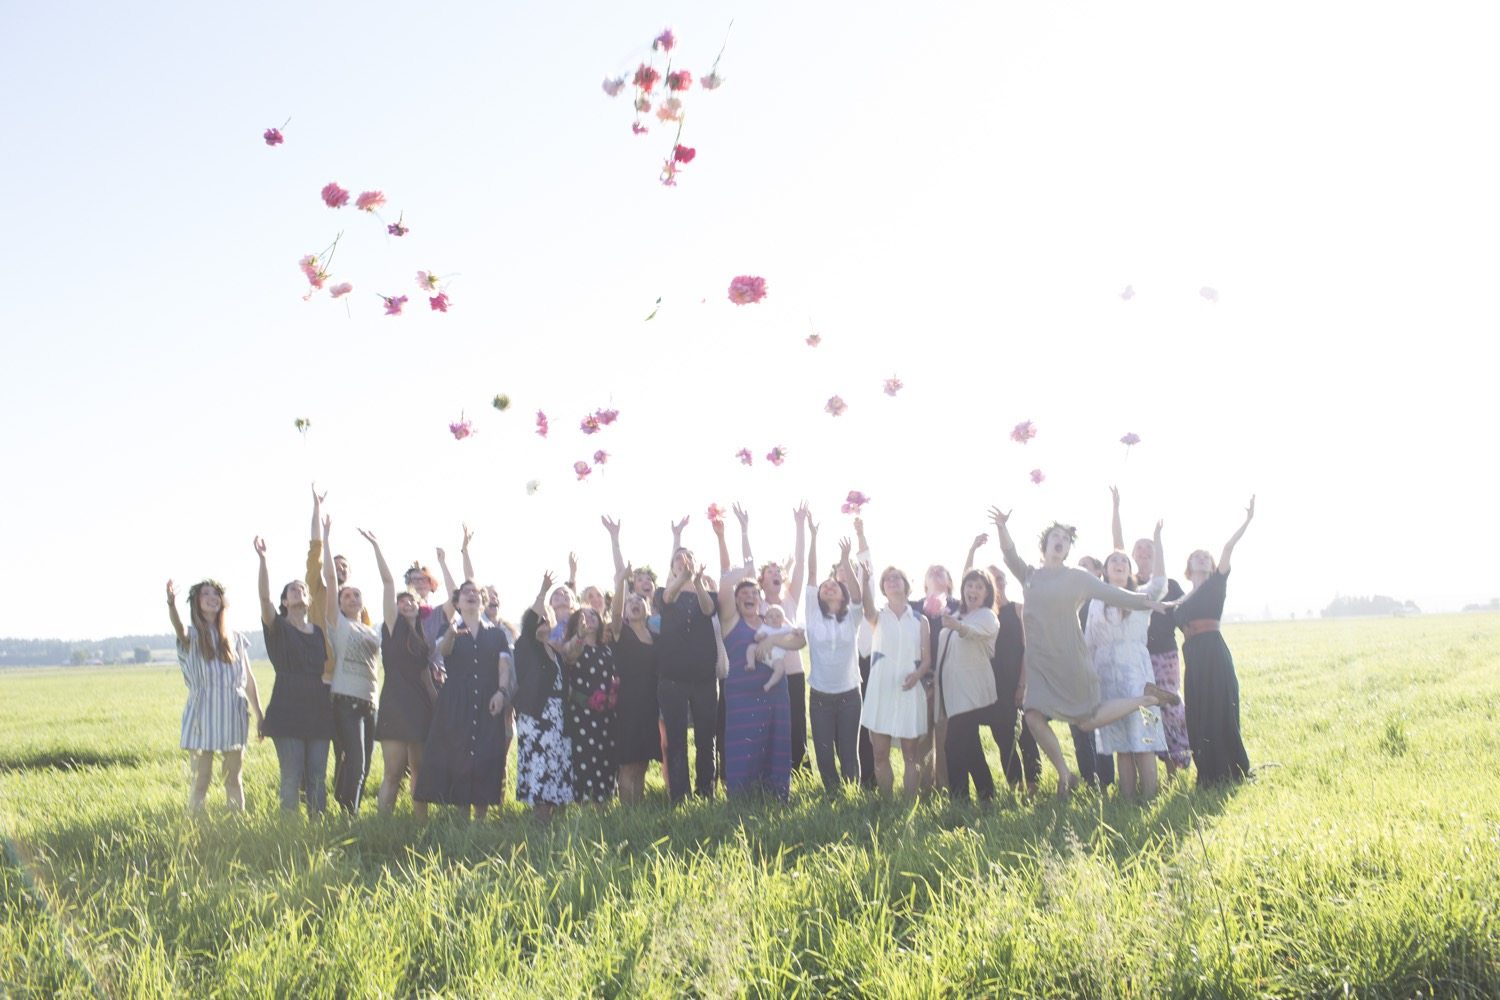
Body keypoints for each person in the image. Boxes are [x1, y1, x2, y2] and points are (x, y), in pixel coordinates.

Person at [990, 506, 1177, 800]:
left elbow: (1113, 593)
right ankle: (1066, 774)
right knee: (1033, 716)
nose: (1060, 540)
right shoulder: (1029, 576)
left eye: (1065, 538)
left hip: (1070, 659)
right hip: (1040, 661)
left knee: (1086, 721)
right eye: (1055, 536)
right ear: (1045, 545)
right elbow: (1009, 554)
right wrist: (1002, 527)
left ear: (1066, 549)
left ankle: (1146, 698)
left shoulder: (1077, 577)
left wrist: (1146, 601)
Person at [1173, 497, 1256, 787]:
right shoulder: (1181, 598)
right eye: (1196, 556)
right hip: (1193, 657)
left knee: (1220, 709)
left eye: (1205, 557)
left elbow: (1228, 548)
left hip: (1213, 651)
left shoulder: (1216, 584)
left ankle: (1232, 770)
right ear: (1188, 566)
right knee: (1197, 714)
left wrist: (1246, 521)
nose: (1202, 558)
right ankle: (1207, 773)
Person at [415, 579, 513, 818]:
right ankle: (460, 817)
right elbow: (444, 651)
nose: (471, 595)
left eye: (476, 592)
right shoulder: (446, 629)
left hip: (489, 699)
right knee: (458, 756)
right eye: (465, 593)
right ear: (458, 602)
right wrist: (451, 631)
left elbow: (504, 666)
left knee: (486, 755)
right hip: (457, 700)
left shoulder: (497, 634)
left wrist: (501, 692)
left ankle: (481, 818)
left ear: (483, 600)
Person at [1086, 522, 1169, 801]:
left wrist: (1157, 542)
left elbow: (1160, 582)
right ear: (1106, 571)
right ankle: (1128, 798)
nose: (1119, 563)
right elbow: (1088, 642)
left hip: (1135, 672)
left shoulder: (1140, 597)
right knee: (1121, 743)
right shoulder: (1096, 601)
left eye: (1124, 560)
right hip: (1106, 677)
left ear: (1129, 570)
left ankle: (1149, 797)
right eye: (1114, 561)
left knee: (1142, 740)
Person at [1111, 486, 1190, 778]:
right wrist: (1116, 509)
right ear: (1132, 556)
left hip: (1165, 655)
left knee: (1169, 706)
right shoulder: (1128, 584)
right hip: (1137, 658)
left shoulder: (1167, 584)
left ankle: (1173, 769)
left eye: (1150, 549)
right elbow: (1116, 545)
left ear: (1158, 555)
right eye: (1139, 550)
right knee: (1146, 711)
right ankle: (1150, 771)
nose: (1144, 553)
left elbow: (1185, 618)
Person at [360, 530, 439, 818]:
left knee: (419, 769)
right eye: (402, 601)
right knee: (393, 771)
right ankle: (383, 824)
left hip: (420, 706)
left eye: (411, 601)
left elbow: (427, 677)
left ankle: (420, 825)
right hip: (394, 703)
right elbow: (388, 582)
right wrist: (378, 547)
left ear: (419, 606)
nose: (406, 603)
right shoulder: (393, 627)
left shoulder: (422, 636)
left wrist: (435, 704)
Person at [167, 577, 263, 812]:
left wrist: (260, 714)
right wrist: (171, 604)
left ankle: (236, 827)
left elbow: (248, 679)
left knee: (233, 779)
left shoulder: (236, 638)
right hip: (203, 714)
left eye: (216, 594)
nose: (212, 598)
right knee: (201, 780)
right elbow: (178, 627)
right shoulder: (192, 636)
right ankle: (197, 828)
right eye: (205, 594)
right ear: (196, 603)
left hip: (233, 711)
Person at [254, 537, 333, 816]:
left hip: (319, 711)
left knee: (317, 778)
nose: (298, 590)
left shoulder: (318, 632)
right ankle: (289, 832)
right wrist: (263, 560)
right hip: (287, 709)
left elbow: (322, 671)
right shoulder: (277, 628)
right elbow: (264, 598)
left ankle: (318, 830)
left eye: (302, 588)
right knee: (291, 777)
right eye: (292, 590)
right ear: (285, 602)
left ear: (308, 599)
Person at [717, 575, 805, 800]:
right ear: (736, 601)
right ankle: (741, 797)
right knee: (743, 746)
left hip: (774, 694)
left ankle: (775, 794)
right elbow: (725, 585)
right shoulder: (730, 621)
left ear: (760, 599)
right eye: (744, 594)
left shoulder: (772, 620)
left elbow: (799, 641)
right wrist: (723, 542)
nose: (750, 597)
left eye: (754, 593)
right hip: (740, 695)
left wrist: (773, 641)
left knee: (775, 742)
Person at [656, 518, 721, 804]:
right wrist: (683, 577)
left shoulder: (708, 593)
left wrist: (696, 582)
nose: (684, 562)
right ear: (672, 568)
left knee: (706, 738)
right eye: (678, 560)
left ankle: (706, 791)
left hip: (705, 679)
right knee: (677, 741)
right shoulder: (663, 593)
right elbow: (669, 597)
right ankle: (679, 795)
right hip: (672, 680)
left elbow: (708, 610)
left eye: (689, 558)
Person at [320, 516, 382, 814]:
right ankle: (349, 814)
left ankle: (346, 805)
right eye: (347, 595)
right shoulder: (338, 626)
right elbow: (331, 581)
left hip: (370, 703)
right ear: (340, 603)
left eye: (357, 595)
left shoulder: (372, 631)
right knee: (354, 760)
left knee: (366, 764)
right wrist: (326, 537)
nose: (352, 598)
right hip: (345, 700)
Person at [859, 564, 931, 798]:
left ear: (906, 585)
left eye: (896, 577)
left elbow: (927, 660)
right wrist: (865, 581)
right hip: (881, 691)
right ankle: (887, 802)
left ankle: (909, 804)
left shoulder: (920, 621)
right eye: (887, 579)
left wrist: (917, 675)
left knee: (911, 754)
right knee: (880, 753)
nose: (892, 581)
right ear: (883, 588)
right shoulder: (878, 617)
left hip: (909, 691)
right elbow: (866, 607)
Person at [803, 526, 865, 793]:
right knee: (824, 754)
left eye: (835, 586)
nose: (828, 586)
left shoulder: (852, 616)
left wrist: (845, 559)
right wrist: (814, 536)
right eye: (825, 587)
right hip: (820, 696)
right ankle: (832, 794)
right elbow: (813, 573)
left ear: (843, 596)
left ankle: (851, 795)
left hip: (850, 694)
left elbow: (859, 594)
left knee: (849, 753)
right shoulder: (813, 614)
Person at [512, 571, 572, 822]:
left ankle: (553, 812)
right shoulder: (526, 646)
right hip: (537, 715)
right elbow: (531, 621)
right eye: (539, 622)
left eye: (546, 621)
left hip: (558, 716)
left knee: (556, 760)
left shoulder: (555, 652)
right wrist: (543, 591)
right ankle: (540, 815)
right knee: (540, 761)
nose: (543, 625)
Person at [937, 569, 1000, 802]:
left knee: (953, 745)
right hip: (954, 692)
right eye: (969, 585)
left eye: (979, 587)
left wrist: (958, 627)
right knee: (970, 747)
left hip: (972, 692)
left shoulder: (987, 616)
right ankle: (986, 796)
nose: (973, 590)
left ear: (987, 593)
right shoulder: (959, 614)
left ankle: (960, 799)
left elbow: (974, 633)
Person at [608, 559, 660, 805]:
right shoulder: (621, 633)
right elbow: (615, 612)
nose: (635, 605)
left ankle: (637, 810)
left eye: (639, 602)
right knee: (628, 764)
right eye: (631, 603)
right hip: (627, 706)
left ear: (648, 609)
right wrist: (621, 584)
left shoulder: (654, 635)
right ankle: (627, 813)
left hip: (649, 706)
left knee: (642, 763)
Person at [561, 605, 619, 804]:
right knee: (584, 755)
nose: (589, 618)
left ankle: (604, 801)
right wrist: (579, 636)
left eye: (593, 615)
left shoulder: (606, 650)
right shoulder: (574, 644)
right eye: (583, 616)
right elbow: (569, 655)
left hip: (606, 714)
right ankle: (583, 802)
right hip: (581, 712)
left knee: (605, 756)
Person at [914, 565, 959, 791]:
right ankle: (924, 789)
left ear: (950, 582)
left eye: (942, 570)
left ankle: (944, 787)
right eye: (931, 570)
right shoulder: (913, 608)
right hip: (921, 683)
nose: (936, 571)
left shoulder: (958, 608)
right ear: (924, 582)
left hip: (948, 684)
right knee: (922, 739)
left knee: (943, 740)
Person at [750, 604, 797, 691]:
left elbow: (795, 632)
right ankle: (751, 663)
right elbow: (755, 637)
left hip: (776, 658)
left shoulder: (785, 628)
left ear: (783, 620)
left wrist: (798, 631)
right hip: (762, 653)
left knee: (780, 669)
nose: (774, 618)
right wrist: (760, 636)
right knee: (751, 647)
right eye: (770, 616)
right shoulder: (764, 628)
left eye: (778, 616)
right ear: (766, 620)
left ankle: (769, 684)